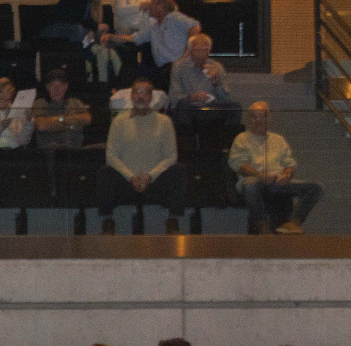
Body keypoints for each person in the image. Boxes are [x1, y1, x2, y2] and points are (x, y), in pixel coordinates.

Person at [98, 77, 187, 235]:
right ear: (131, 96)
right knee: (105, 172)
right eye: (137, 92)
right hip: (127, 181)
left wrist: (150, 176)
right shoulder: (118, 121)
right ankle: (108, 222)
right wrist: (130, 176)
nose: (140, 96)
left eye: (145, 93)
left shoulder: (165, 122)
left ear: (151, 98)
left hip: (154, 180)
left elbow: (171, 156)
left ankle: (173, 221)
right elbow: (111, 156)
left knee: (178, 170)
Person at [228, 101, 324, 236]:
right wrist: (259, 175)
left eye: (262, 116)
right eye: (254, 116)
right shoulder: (241, 139)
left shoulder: (278, 140)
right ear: (249, 119)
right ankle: (262, 225)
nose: (258, 120)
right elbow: (238, 164)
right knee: (249, 186)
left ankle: (293, 223)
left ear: (269, 118)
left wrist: (286, 175)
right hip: (255, 181)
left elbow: (289, 163)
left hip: (278, 182)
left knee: (316, 188)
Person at [102, 0, 200, 91]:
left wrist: (186, 53)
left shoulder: (174, 17)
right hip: (161, 69)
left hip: (177, 65)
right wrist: (110, 37)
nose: (148, 6)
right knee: (136, 77)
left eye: (151, 4)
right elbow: (133, 38)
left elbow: (195, 26)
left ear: (160, 6)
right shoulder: (153, 26)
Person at [169, 34, 238, 127]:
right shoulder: (179, 67)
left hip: (211, 107)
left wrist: (215, 83)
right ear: (190, 51)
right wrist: (192, 97)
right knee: (183, 105)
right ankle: (187, 135)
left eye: (205, 50)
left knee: (234, 106)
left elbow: (226, 98)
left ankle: (228, 135)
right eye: (197, 50)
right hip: (190, 106)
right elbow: (174, 97)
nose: (201, 54)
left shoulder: (216, 66)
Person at [31, 67, 91, 150]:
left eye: (60, 85)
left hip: (75, 150)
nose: (57, 89)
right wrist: (70, 123)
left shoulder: (75, 102)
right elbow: (41, 125)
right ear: (47, 87)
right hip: (49, 151)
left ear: (66, 86)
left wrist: (58, 120)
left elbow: (87, 119)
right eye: (53, 85)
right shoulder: (40, 103)